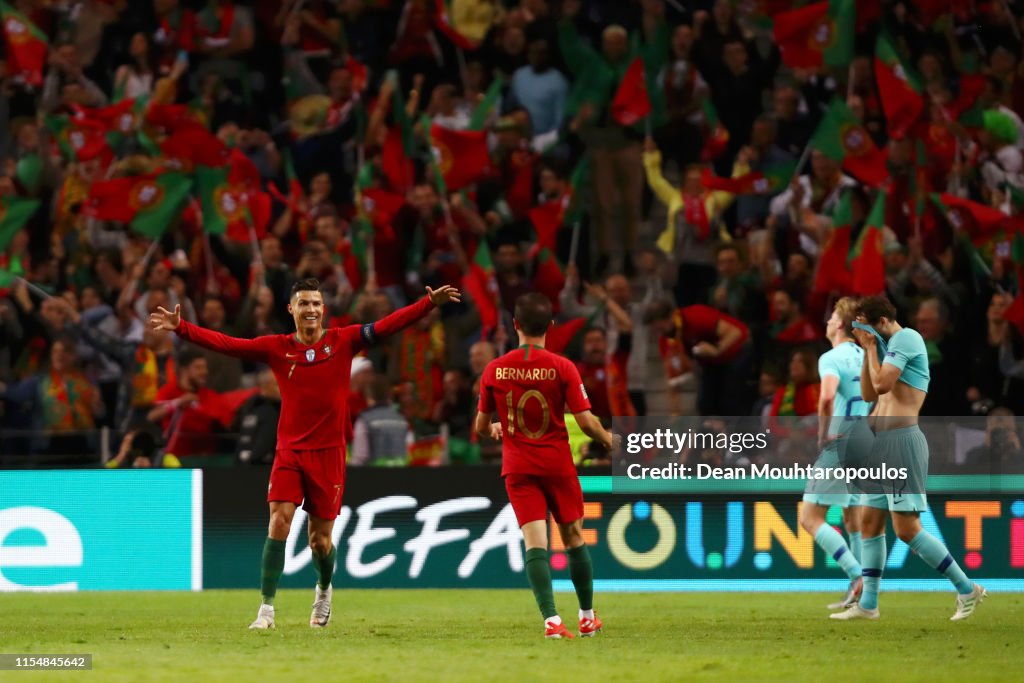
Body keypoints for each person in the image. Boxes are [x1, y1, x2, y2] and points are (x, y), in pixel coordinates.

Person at [149, 278, 461, 630]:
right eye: (304, 303)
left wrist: (428, 304)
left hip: (328, 455)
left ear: (323, 309)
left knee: (320, 540)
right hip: (290, 451)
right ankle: (266, 610)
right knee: (279, 520)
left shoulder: (344, 339)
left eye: (316, 303)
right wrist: (183, 328)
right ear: (291, 309)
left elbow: (388, 325)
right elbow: (229, 344)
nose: (311, 309)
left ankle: (324, 590)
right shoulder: (277, 347)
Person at [832, 296, 985, 621]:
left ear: (882, 322)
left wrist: (871, 349)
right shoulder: (885, 347)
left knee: (907, 529)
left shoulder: (907, 337)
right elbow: (870, 394)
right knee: (870, 522)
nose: (862, 334)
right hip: (879, 445)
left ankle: (966, 588)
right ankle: (869, 605)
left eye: (865, 327)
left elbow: (885, 385)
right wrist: (868, 351)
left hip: (902, 443)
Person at [474, 292, 615, 639]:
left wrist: (495, 427)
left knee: (535, 544)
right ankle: (585, 616)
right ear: (551, 326)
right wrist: (613, 441)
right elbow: (585, 422)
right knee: (573, 537)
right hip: (556, 465)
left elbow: (480, 427)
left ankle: (551, 621)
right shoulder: (562, 366)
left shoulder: (494, 368)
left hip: (518, 468)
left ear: (516, 325)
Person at [798, 297, 869, 612]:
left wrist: (823, 433)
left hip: (838, 444)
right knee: (852, 518)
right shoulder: (867, 356)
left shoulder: (831, 358)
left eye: (830, 320)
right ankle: (860, 595)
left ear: (839, 324)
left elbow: (827, 397)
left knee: (809, 518)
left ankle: (857, 576)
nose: (826, 323)